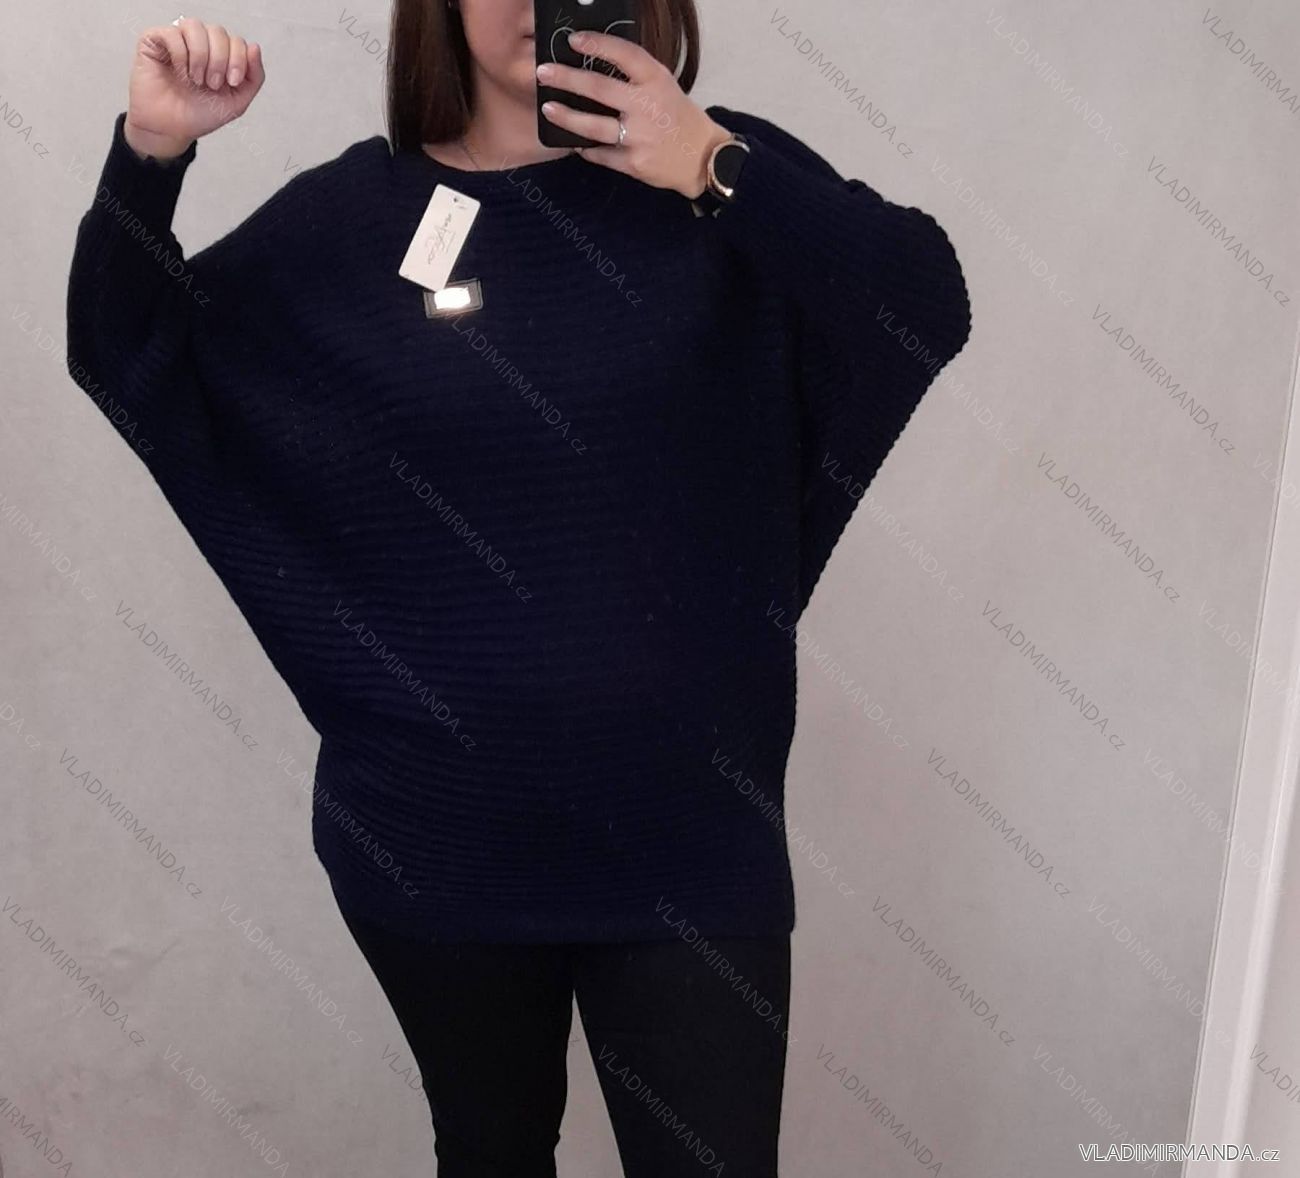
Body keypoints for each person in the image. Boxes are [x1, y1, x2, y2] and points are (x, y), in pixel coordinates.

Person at [64, 3, 971, 1174]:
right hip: (439, 844)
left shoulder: (713, 174)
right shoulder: (351, 221)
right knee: (489, 1152)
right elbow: (125, 345)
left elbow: (921, 299)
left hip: (686, 841)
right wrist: (153, 151)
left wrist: (707, 163)